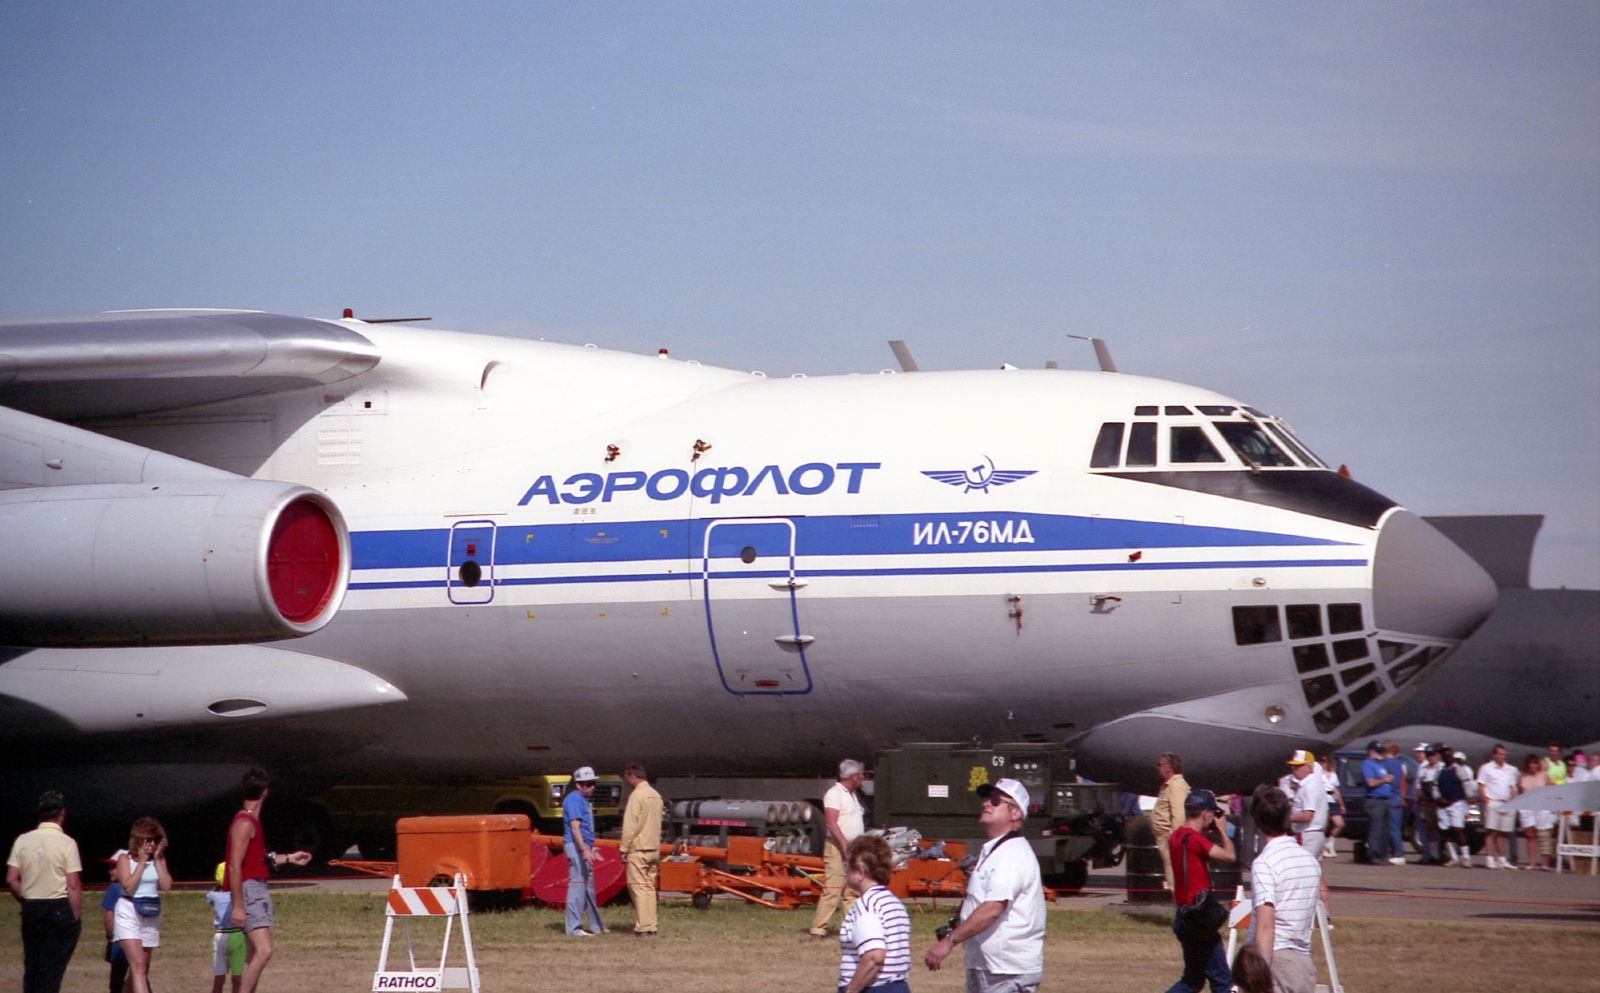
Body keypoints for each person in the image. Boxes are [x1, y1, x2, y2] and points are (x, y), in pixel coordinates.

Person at [922, 777, 1045, 992]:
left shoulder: (1012, 853)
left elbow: (993, 908)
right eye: (986, 799)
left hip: (1007, 969)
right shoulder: (996, 850)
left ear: (1015, 813)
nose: (986, 803)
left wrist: (949, 941)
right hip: (988, 966)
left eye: (996, 800)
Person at [225, 768, 312, 993]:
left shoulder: (251, 822)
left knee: (253, 954)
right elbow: (234, 866)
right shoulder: (244, 823)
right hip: (249, 890)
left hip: (257, 888)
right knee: (264, 950)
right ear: (265, 792)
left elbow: (259, 859)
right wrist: (238, 906)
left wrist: (290, 857)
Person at [1248, 784, 1325, 993]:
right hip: (1303, 962)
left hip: (1275, 960)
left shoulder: (1265, 863)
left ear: (1256, 822)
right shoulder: (1310, 861)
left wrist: (1260, 976)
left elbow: (1266, 926)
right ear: (1287, 816)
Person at [6, 789, 83, 993]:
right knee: (52, 969)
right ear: (62, 813)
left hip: (32, 907)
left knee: (33, 967)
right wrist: (75, 915)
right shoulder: (67, 843)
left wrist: (26, 899)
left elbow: (12, 879)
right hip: (58, 907)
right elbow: (73, 884)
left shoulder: (23, 840)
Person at [1161, 788, 1235, 993]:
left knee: (1192, 980)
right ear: (1205, 814)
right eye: (1213, 813)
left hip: (1184, 916)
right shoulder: (1196, 840)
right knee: (1222, 981)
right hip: (1200, 920)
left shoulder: (1176, 837)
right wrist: (1222, 829)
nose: (1214, 817)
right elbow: (1230, 856)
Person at [838, 834, 912, 993]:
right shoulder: (894, 903)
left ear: (860, 871)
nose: (845, 871)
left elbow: (873, 957)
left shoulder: (867, 906)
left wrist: (850, 991)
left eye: (847, 865)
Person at [112, 817, 172, 993]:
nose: (152, 844)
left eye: (156, 840)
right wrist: (140, 863)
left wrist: (158, 860)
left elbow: (167, 885)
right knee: (137, 964)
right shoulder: (125, 858)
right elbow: (128, 887)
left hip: (150, 911)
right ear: (139, 840)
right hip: (129, 910)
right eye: (148, 840)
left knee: (141, 968)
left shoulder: (159, 860)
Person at [810, 758, 868, 938]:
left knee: (852, 890)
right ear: (853, 776)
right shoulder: (835, 794)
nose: (863, 778)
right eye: (861, 775)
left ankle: (853, 928)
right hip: (837, 847)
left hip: (853, 847)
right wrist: (843, 844)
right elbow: (831, 822)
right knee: (834, 889)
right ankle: (818, 929)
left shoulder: (852, 795)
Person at [562, 765, 607, 936]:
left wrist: (589, 847)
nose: (591, 787)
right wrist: (583, 849)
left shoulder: (581, 800)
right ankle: (573, 928)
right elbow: (575, 828)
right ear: (578, 785)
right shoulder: (574, 800)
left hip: (582, 846)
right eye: (587, 784)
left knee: (587, 887)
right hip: (575, 846)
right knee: (577, 886)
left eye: (592, 783)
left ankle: (597, 926)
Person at [619, 762, 662, 936]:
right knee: (649, 887)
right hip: (654, 848)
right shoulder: (655, 795)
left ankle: (642, 926)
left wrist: (624, 848)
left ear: (632, 776)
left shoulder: (637, 796)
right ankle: (651, 925)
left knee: (637, 887)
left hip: (639, 848)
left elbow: (631, 826)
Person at [1476, 745, 1519, 870]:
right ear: (1494, 755)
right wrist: (1486, 800)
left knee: (1503, 833)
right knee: (1490, 831)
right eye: (1500, 754)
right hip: (1493, 802)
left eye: (1504, 754)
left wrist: (1512, 801)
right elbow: (1481, 786)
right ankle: (1489, 859)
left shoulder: (1511, 769)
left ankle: (1502, 859)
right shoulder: (1486, 768)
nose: (1503, 756)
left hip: (1507, 803)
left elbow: (1512, 786)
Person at [1152, 752, 1191, 891]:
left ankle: (1179, 904)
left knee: (1174, 874)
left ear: (1168, 768)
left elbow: (1179, 814)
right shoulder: (1168, 785)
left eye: (1160, 765)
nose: (1158, 768)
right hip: (1164, 838)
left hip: (1171, 838)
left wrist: (1175, 837)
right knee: (1171, 872)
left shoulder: (1176, 786)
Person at [1285, 750, 1329, 859]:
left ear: (1309, 767)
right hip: (1314, 833)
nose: (1294, 770)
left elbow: (1307, 815)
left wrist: (1285, 818)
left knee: (1301, 870)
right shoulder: (1311, 783)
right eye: (1293, 767)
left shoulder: (1309, 786)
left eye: (1298, 766)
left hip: (1307, 834)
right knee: (1314, 871)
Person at [209, 862, 245, 993]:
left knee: (218, 978)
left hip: (220, 936)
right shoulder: (240, 895)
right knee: (238, 978)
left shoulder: (213, 895)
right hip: (238, 935)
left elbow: (209, 899)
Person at [1359, 741, 1396, 864]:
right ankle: (1375, 855)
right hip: (1374, 800)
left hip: (1384, 799)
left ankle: (1383, 855)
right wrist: (1384, 779)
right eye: (1378, 751)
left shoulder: (1379, 765)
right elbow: (1370, 782)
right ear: (1370, 751)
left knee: (1385, 829)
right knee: (1376, 829)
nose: (1380, 754)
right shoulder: (1367, 764)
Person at [1516, 753, 1552, 870]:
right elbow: (1520, 792)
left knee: (1544, 835)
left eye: (1536, 763)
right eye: (1532, 763)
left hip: (1541, 806)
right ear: (1528, 764)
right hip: (1527, 807)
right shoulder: (1522, 776)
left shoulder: (1543, 776)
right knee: (1529, 835)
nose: (1534, 766)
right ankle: (1531, 863)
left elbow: (1552, 788)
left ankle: (1544, 863)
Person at [100, 854, 128, 993]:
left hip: (119, 943)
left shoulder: (114, 889)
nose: (110, 871)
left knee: (116, 983)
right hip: (138, 942)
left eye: (114, 867)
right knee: (138, 977)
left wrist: (110, 938)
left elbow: (109, 918)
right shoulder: (136, 888)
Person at [1415, 744, 1445, 865]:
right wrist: (1419, 800)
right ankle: (1432, 855)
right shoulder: (1423, 769)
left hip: (1440, 803)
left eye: (1432, 755)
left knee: (1442, 830)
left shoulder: (1442, 768)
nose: (1431, 758)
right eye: (1428, 755)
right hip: (1427, 803)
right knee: (1429, 831)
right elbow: (1418, 786)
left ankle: (1443, 855)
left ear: (1436, 755)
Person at [1382, 741, 1409, 864]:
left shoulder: (1385, 764)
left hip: (1390, 797)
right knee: (1395, 827)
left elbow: (1385, 781)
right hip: (1397, 797)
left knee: (1390, 828)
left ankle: (1398, 853)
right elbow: (1402, 781)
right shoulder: (1399, 764)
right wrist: (1403, 796)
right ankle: (1397, 853)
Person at [1318, 755, 1345, 859]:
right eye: (1321, 761)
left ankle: (1330, 842)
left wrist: (1341, 804)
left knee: (1340, 824)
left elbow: (1336, 790)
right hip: (1323, 799)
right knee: (1324, 824)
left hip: (1332, 799)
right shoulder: (1318, 774)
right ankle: (1321, 847)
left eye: (1324, 761)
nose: (1323, 763)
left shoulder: (1333, 775)